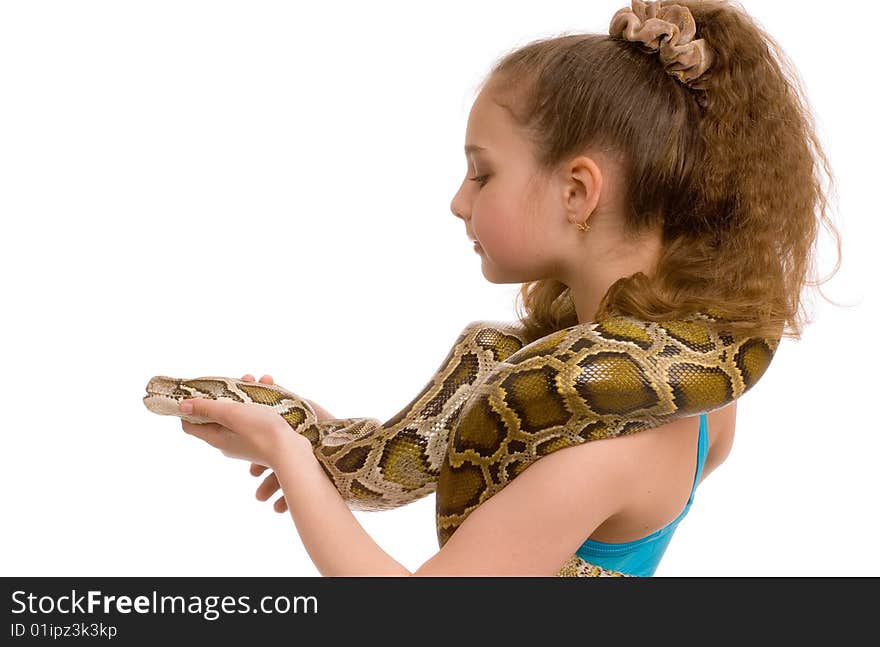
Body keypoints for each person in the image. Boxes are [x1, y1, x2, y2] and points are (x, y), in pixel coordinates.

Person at [177, 0, 840, 576]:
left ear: (577, 191)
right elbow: (431, 461)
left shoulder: (607, 453)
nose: (458, 202)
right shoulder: (702, 401)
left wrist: (289, 455)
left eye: (482, 174)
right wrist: (320, 437)